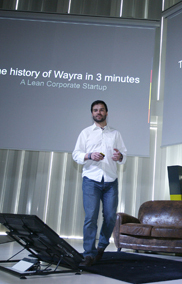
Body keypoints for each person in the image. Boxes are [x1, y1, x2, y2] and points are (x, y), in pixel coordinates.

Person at [72, 100, 127, 267]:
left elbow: (123, 154)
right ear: (92, 114)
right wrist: (89, 156)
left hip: (110, 181)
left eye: (101, 110)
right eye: (95, 110)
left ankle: (102, 246)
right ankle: (88, 254)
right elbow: (76, 154)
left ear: (106, 113)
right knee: (90, 218)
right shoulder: (86, 133)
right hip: (91, 180)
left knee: (110, 217)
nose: (98, 112)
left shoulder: (115, 134)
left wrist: (120, 157)